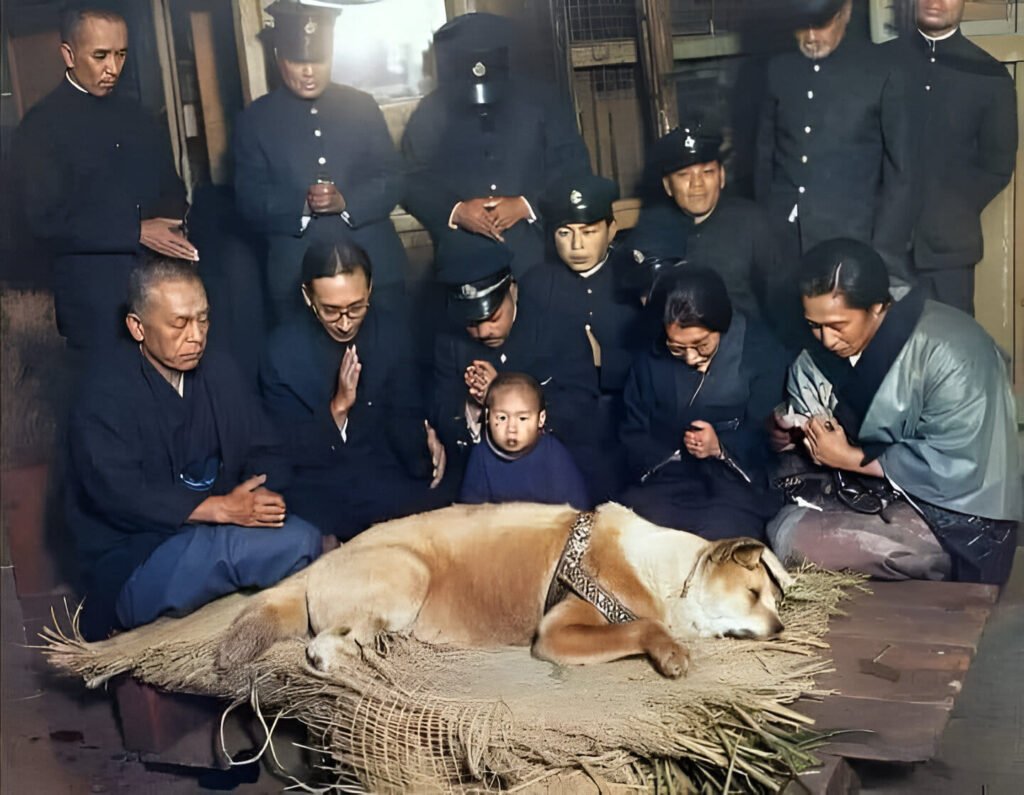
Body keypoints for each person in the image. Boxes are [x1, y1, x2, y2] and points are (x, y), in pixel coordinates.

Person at [66, 258, 321, 641]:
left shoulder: (219, 370)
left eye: (203, 319)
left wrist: (262, 494)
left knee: (303, 536)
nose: (197, 335)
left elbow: (265, 447)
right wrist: (219, 509)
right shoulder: (104, 392)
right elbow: (116, 493)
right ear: (137, 327)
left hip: (215, 532)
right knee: (283, 547)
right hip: (138, 554)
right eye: (179, 323)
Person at [767, 238, 1021, 585]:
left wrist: (848, 458)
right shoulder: (822, 353)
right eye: (815, 325)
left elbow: (958, 466)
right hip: (882, 490)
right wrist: (789, 433)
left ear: (877, 307)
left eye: (838, 326)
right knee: (772, 492)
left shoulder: (952, 350)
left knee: (789, 536)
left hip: (962, 517)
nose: (826, 340)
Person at [12, 6, 197, 353]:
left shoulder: (139, 117)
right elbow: (43, 221)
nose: (113, 68)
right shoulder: (41, 127)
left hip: (157, 288)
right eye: (100, 56)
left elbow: (172, 188)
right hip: (92, 302)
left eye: (121, 54)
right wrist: (137, 230)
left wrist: (175, 220)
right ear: (68, 54)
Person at [260, 241, 451, 541]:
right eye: (331, 311)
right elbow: (285, 451)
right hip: (319, 480)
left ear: (371, 289)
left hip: (381, 470)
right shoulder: (281, 353)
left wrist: (424, 435)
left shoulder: (392, 331)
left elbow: (407, 407)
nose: (345, 323)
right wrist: (337, 408)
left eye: (356, 307)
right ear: (308, 297)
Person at [234, 1, 407, 323]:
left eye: (319, 60)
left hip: (377, 269)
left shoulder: (362, 106)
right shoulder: (255, 120)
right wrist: (300, 205)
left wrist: (347, 201)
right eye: (297, 61)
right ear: (277, 58)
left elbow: (394, 177)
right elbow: (247, 199)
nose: (309, 72)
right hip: (295, 276)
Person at [401, 12, 592, 277]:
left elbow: (575, 167)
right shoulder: (430, 112)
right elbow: (412, 180)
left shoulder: (544, 101)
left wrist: (526, 204)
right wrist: (456, 211)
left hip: (538, 254)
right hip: (465, 261)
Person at [619, 267, 789, 541]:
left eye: (701, 345)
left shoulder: (761, 352)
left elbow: (767, 437)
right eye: (676, 348)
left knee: (719, 540)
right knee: (635, 534)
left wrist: (720, 447)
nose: (689, 358)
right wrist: (671, 454)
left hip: (735, 482)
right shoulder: (650, 357)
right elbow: (633, 428)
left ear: (721, 324)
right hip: (666, 477)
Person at [754, 0, 915, 289]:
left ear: (846, 12)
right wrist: (769, 224)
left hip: (853, 246)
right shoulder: (777, 70)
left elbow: (901, 175)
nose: (812, 37)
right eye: (802, 26)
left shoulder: (882, 71)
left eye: (822, 24)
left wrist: (882, 255)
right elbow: (764, 157)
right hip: (785, 244)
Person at [884, 0, 1018, 315]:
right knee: (883, 355)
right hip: (881, 248)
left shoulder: (990, 76)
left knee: (952, 349)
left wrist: (948, 208)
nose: (935, 1)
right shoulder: (879, 63)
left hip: (949, 253)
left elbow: (997, 167)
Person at [431, 239, 601, 487]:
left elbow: (582, 402)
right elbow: (440, 408)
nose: (483, 332)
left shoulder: (556, 325)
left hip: (553, 467)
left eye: (493, 317)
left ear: (512, 291)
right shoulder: (449, 340)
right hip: (479, 471)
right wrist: (474, 409)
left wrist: (503, 398)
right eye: (471, 323)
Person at [624, 124, 780, 324]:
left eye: (707, 172)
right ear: (667, 186)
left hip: (744, 346)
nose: (697, 184)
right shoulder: (650, 229)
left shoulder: (752, 222)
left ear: (721, 177)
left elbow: (778, 302)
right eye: (684, 175)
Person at [459, 372, 590, 509]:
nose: (511, 428)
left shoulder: (554, 454)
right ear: (487, 416)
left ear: (541, 419)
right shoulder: (480, 455)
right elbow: (469, 515)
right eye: (502, 418)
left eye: (522, 419)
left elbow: (577, 512)